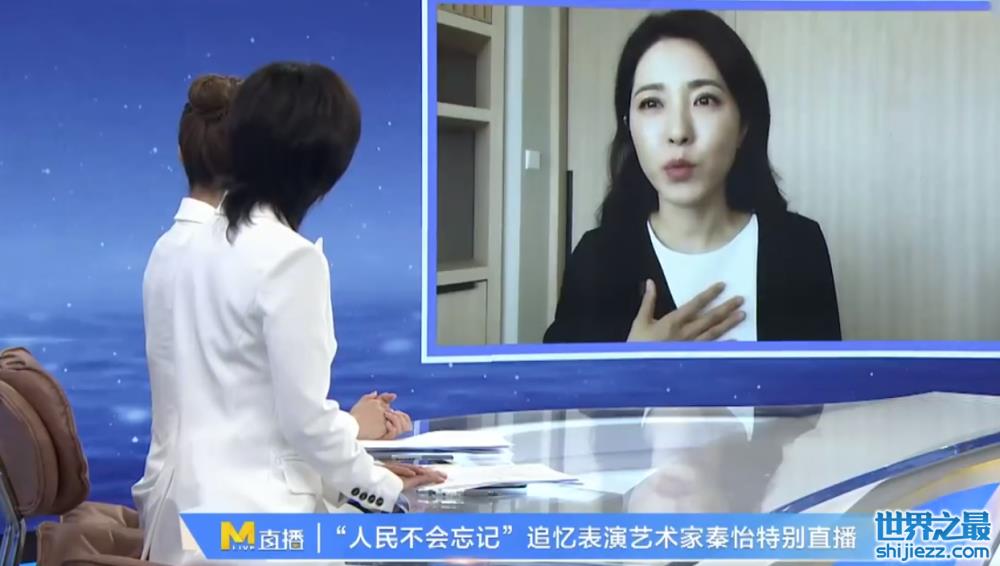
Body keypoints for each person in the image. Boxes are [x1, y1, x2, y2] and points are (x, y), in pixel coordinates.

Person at [138, 64, 442, 565]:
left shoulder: (182, 245)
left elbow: (244, 407)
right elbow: (303, 421)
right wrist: (381, 491)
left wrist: (358, 477)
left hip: (182, 521)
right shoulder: (290, 259)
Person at [544, 10, 841, 345]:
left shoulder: (799, 246)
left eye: (704, 100)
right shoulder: (595, 260)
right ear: (629, 127)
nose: (678, 132)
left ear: (743, 124)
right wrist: (633, 363)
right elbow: (556, 380)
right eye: (652, 103)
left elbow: (827, 378)